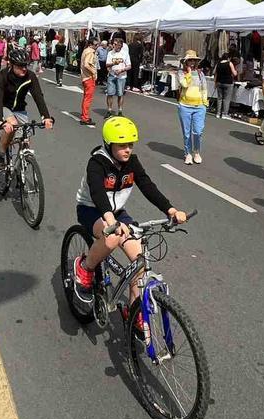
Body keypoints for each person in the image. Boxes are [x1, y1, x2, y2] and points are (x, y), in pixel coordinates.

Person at [71, 117, 188, 337]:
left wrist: (170, 210)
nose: (127, 150)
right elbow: (97, 193)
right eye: (122, 145)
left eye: (130, 145)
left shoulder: (132, 162)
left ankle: (135, 314)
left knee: (141, 262)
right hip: (92, 210)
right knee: (112, 238)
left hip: (117, 214)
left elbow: (147, 185)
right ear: (109, 144)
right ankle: (85, 268)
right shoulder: (97, 163)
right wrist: (110, 221)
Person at [0, 47, 54, 170]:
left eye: (25, 65)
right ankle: (1, 155)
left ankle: (20, 169)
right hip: (3, 106)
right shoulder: (1, 76)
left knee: (25, 139)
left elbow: (38, 96)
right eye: (20, 66)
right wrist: (0, 121)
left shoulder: (30, 76)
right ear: (11, 65)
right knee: (11, 126)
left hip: (19, 108)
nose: (24, 68)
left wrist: (46, 117)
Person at [176, 50, 209, 165]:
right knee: (186, 132)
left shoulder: (200, 73)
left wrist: (205, 103)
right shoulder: (181, 73)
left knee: (198, 131)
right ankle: (188, 153)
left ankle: (197, 152)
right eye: (189, 60)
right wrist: (189, 73)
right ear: (185, 62)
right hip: (185, 106)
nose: (192, 63)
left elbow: (204, 88)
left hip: (199, 106)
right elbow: (184, 84)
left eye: (193, 60)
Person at [105, 36, 131, 117]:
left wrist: (121, 70)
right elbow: (107, 64)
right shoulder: (110, 53)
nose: (113, 45)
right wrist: (113, 63)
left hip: (121, 76)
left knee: (120, 94)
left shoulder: (125, 54)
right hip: (112, 75)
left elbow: (129, 66)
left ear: (120, 45)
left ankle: (120, 111)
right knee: (110, 93)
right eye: (113, 44)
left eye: (115, 44)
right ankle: (109, 111)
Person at [78, 40, 98, 127]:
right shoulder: (90, 52)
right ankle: (85, 117)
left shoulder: (85, 50)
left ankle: (84, 116)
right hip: (89, 77)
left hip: (84, 76)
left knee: (86, 97)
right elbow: (86, 64)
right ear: (91, 44)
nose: (97, 46)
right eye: (95, 44)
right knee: (88, 98)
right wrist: (93, 72)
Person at [214, 51, 238, 118]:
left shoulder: (218, 64)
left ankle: (218, 113)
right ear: (229, 58)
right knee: (226, 99)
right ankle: (224, 113)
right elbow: (234, 73)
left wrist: (215, 83)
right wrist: (236, 71)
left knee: (219, 98)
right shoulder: (229, 63)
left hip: (219, 82)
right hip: (228, 82)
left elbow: (215, 74)